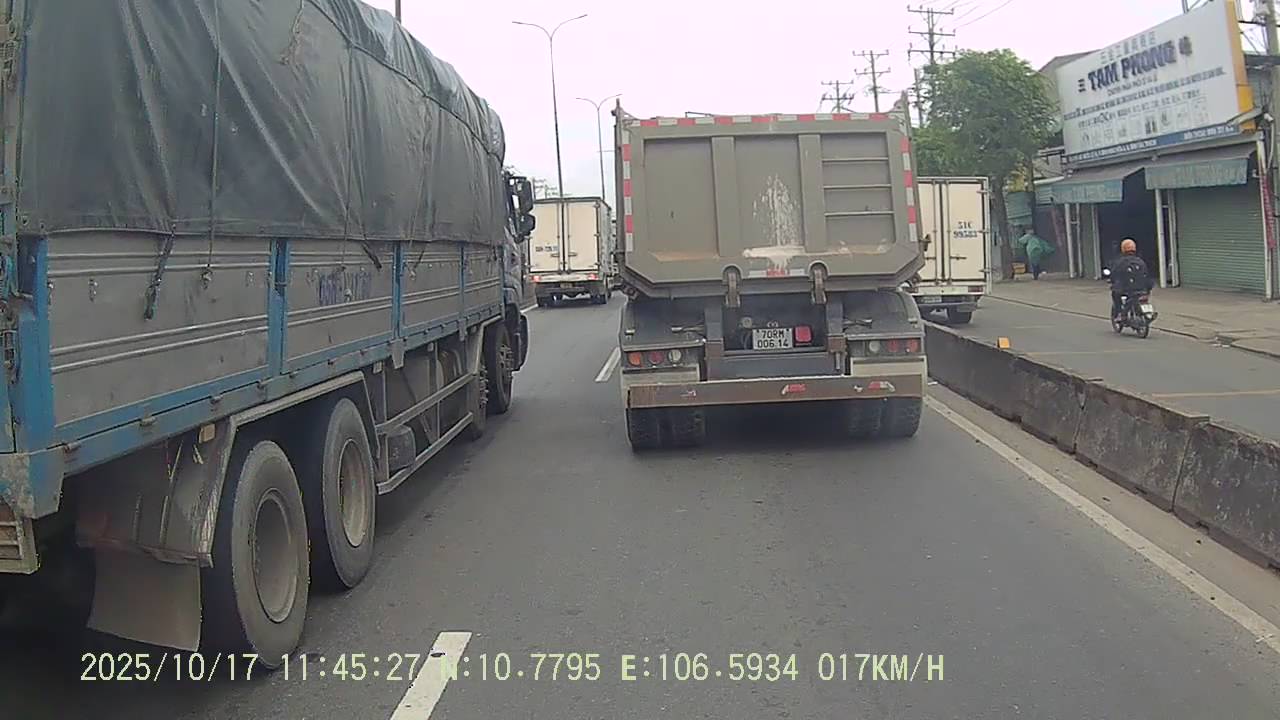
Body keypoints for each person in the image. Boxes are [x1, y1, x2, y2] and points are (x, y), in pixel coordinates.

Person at [1108, 238, 1154, 322]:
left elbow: (1114, 273)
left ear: (1123, 248)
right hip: (1143, 289)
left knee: (1115, 294)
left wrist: (1112, 280)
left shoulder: (1120, 262)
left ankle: (1120, 314)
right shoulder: (1140, 261)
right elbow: (1147, 274)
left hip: (1128, 289)